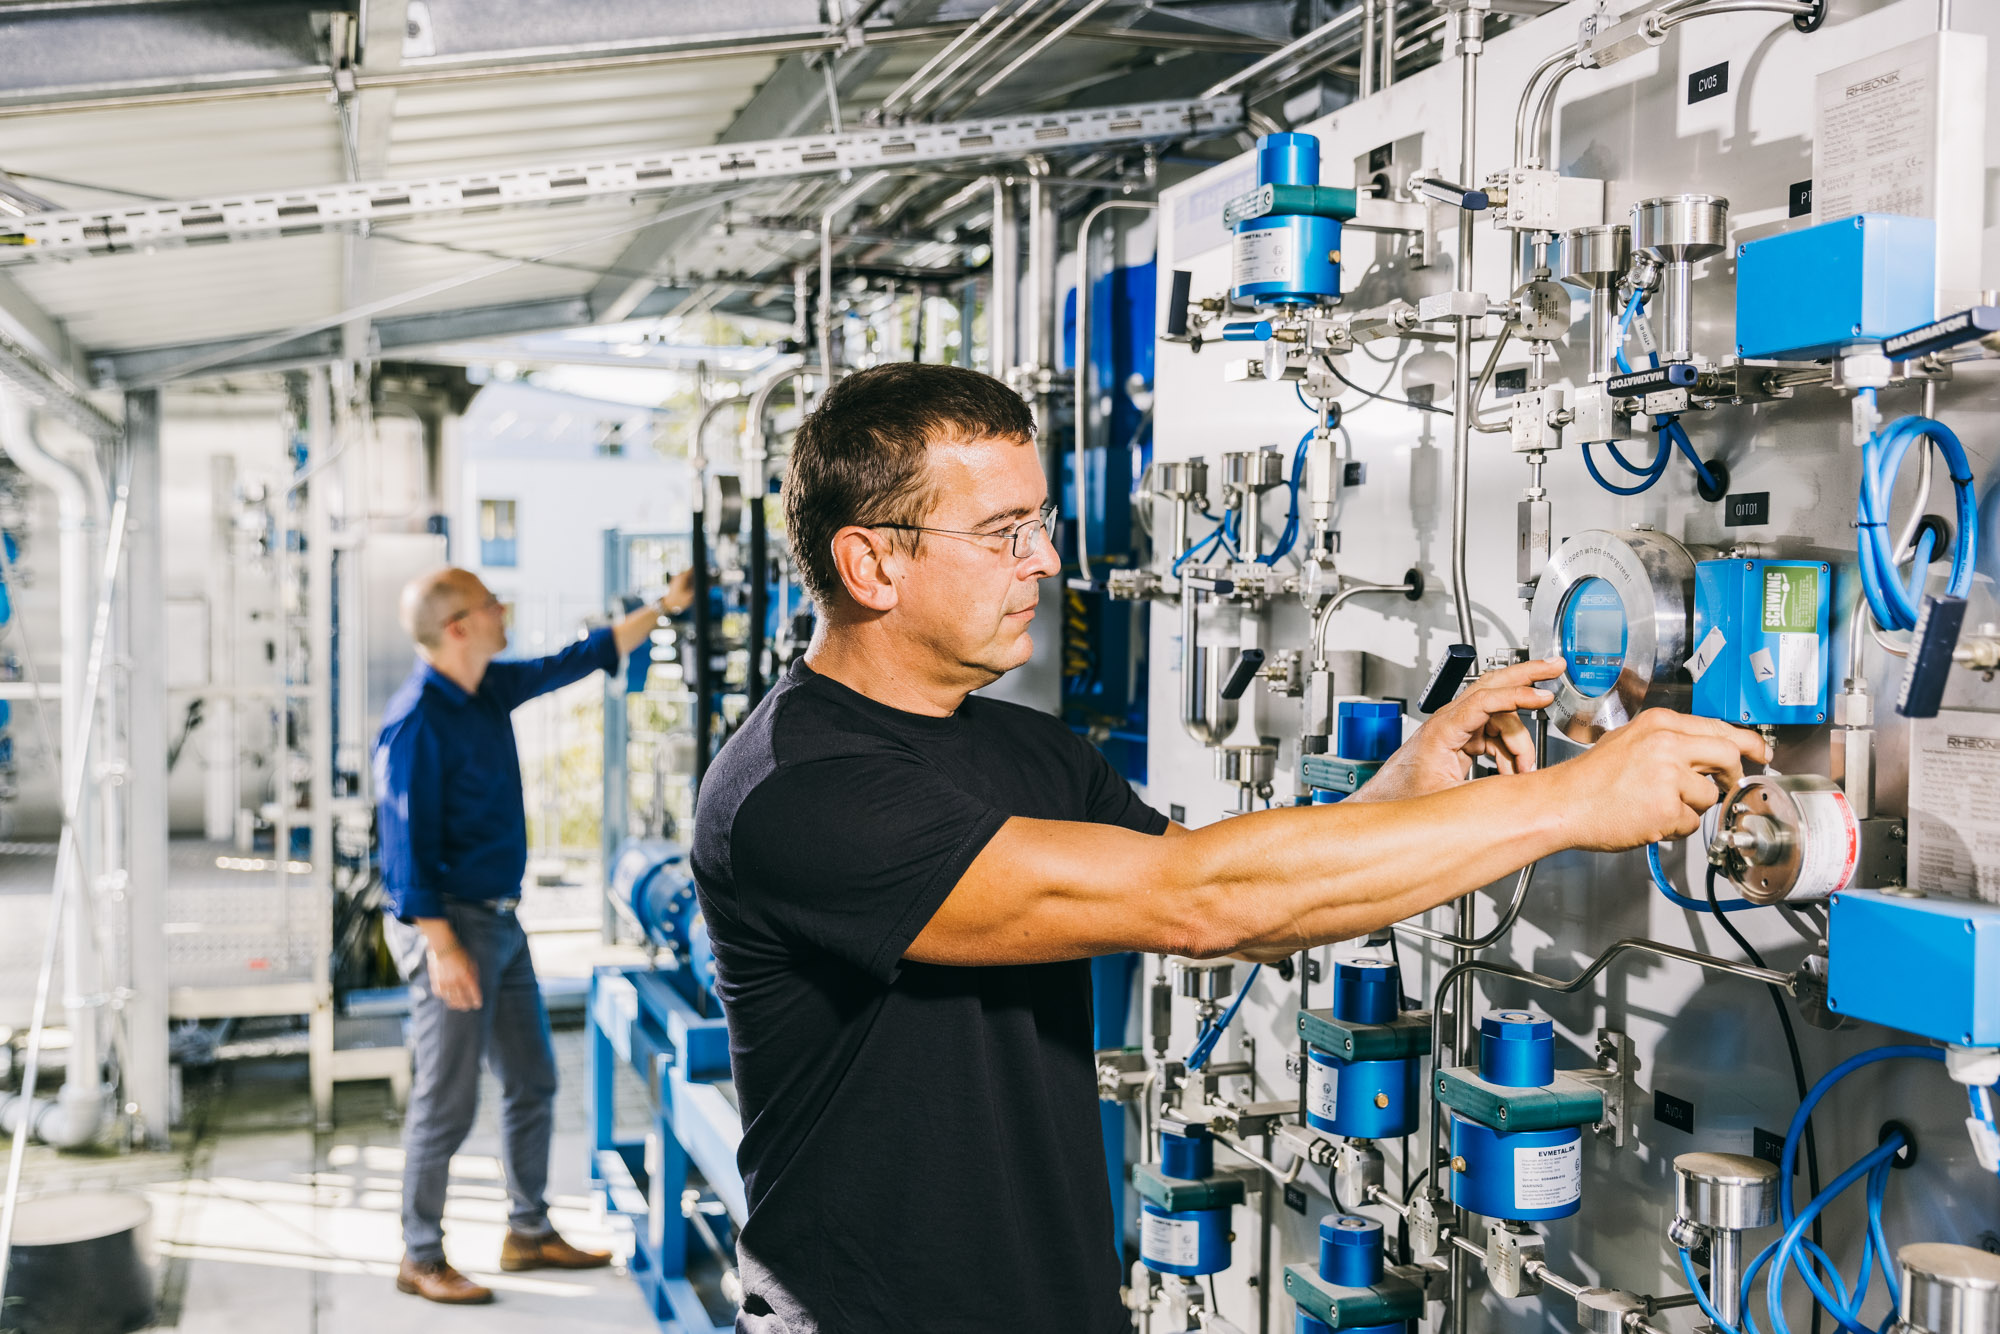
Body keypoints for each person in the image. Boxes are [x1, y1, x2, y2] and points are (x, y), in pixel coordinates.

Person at [690, 363, 1765, 1334]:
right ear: (873, 561)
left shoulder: (1024, 750)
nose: (1044, 558)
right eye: (1003, 531)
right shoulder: (799, 792)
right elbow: (1198, 902)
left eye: (1040, 520)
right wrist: (1574, 802)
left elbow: (1237, 904)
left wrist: (1402, 787)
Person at [376, 564, 693, 1304]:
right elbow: (404, 851)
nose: (503, 608)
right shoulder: (419, 719)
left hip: (498, 920)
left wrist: (663, 606)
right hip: (450, 929)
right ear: (458, 626)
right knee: (446, 1102)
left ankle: (528, 1230)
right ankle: (419, 1255)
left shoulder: (483, 687)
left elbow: (576, 659)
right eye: (491, 603)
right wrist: (444, 949)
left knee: (533, 1080)